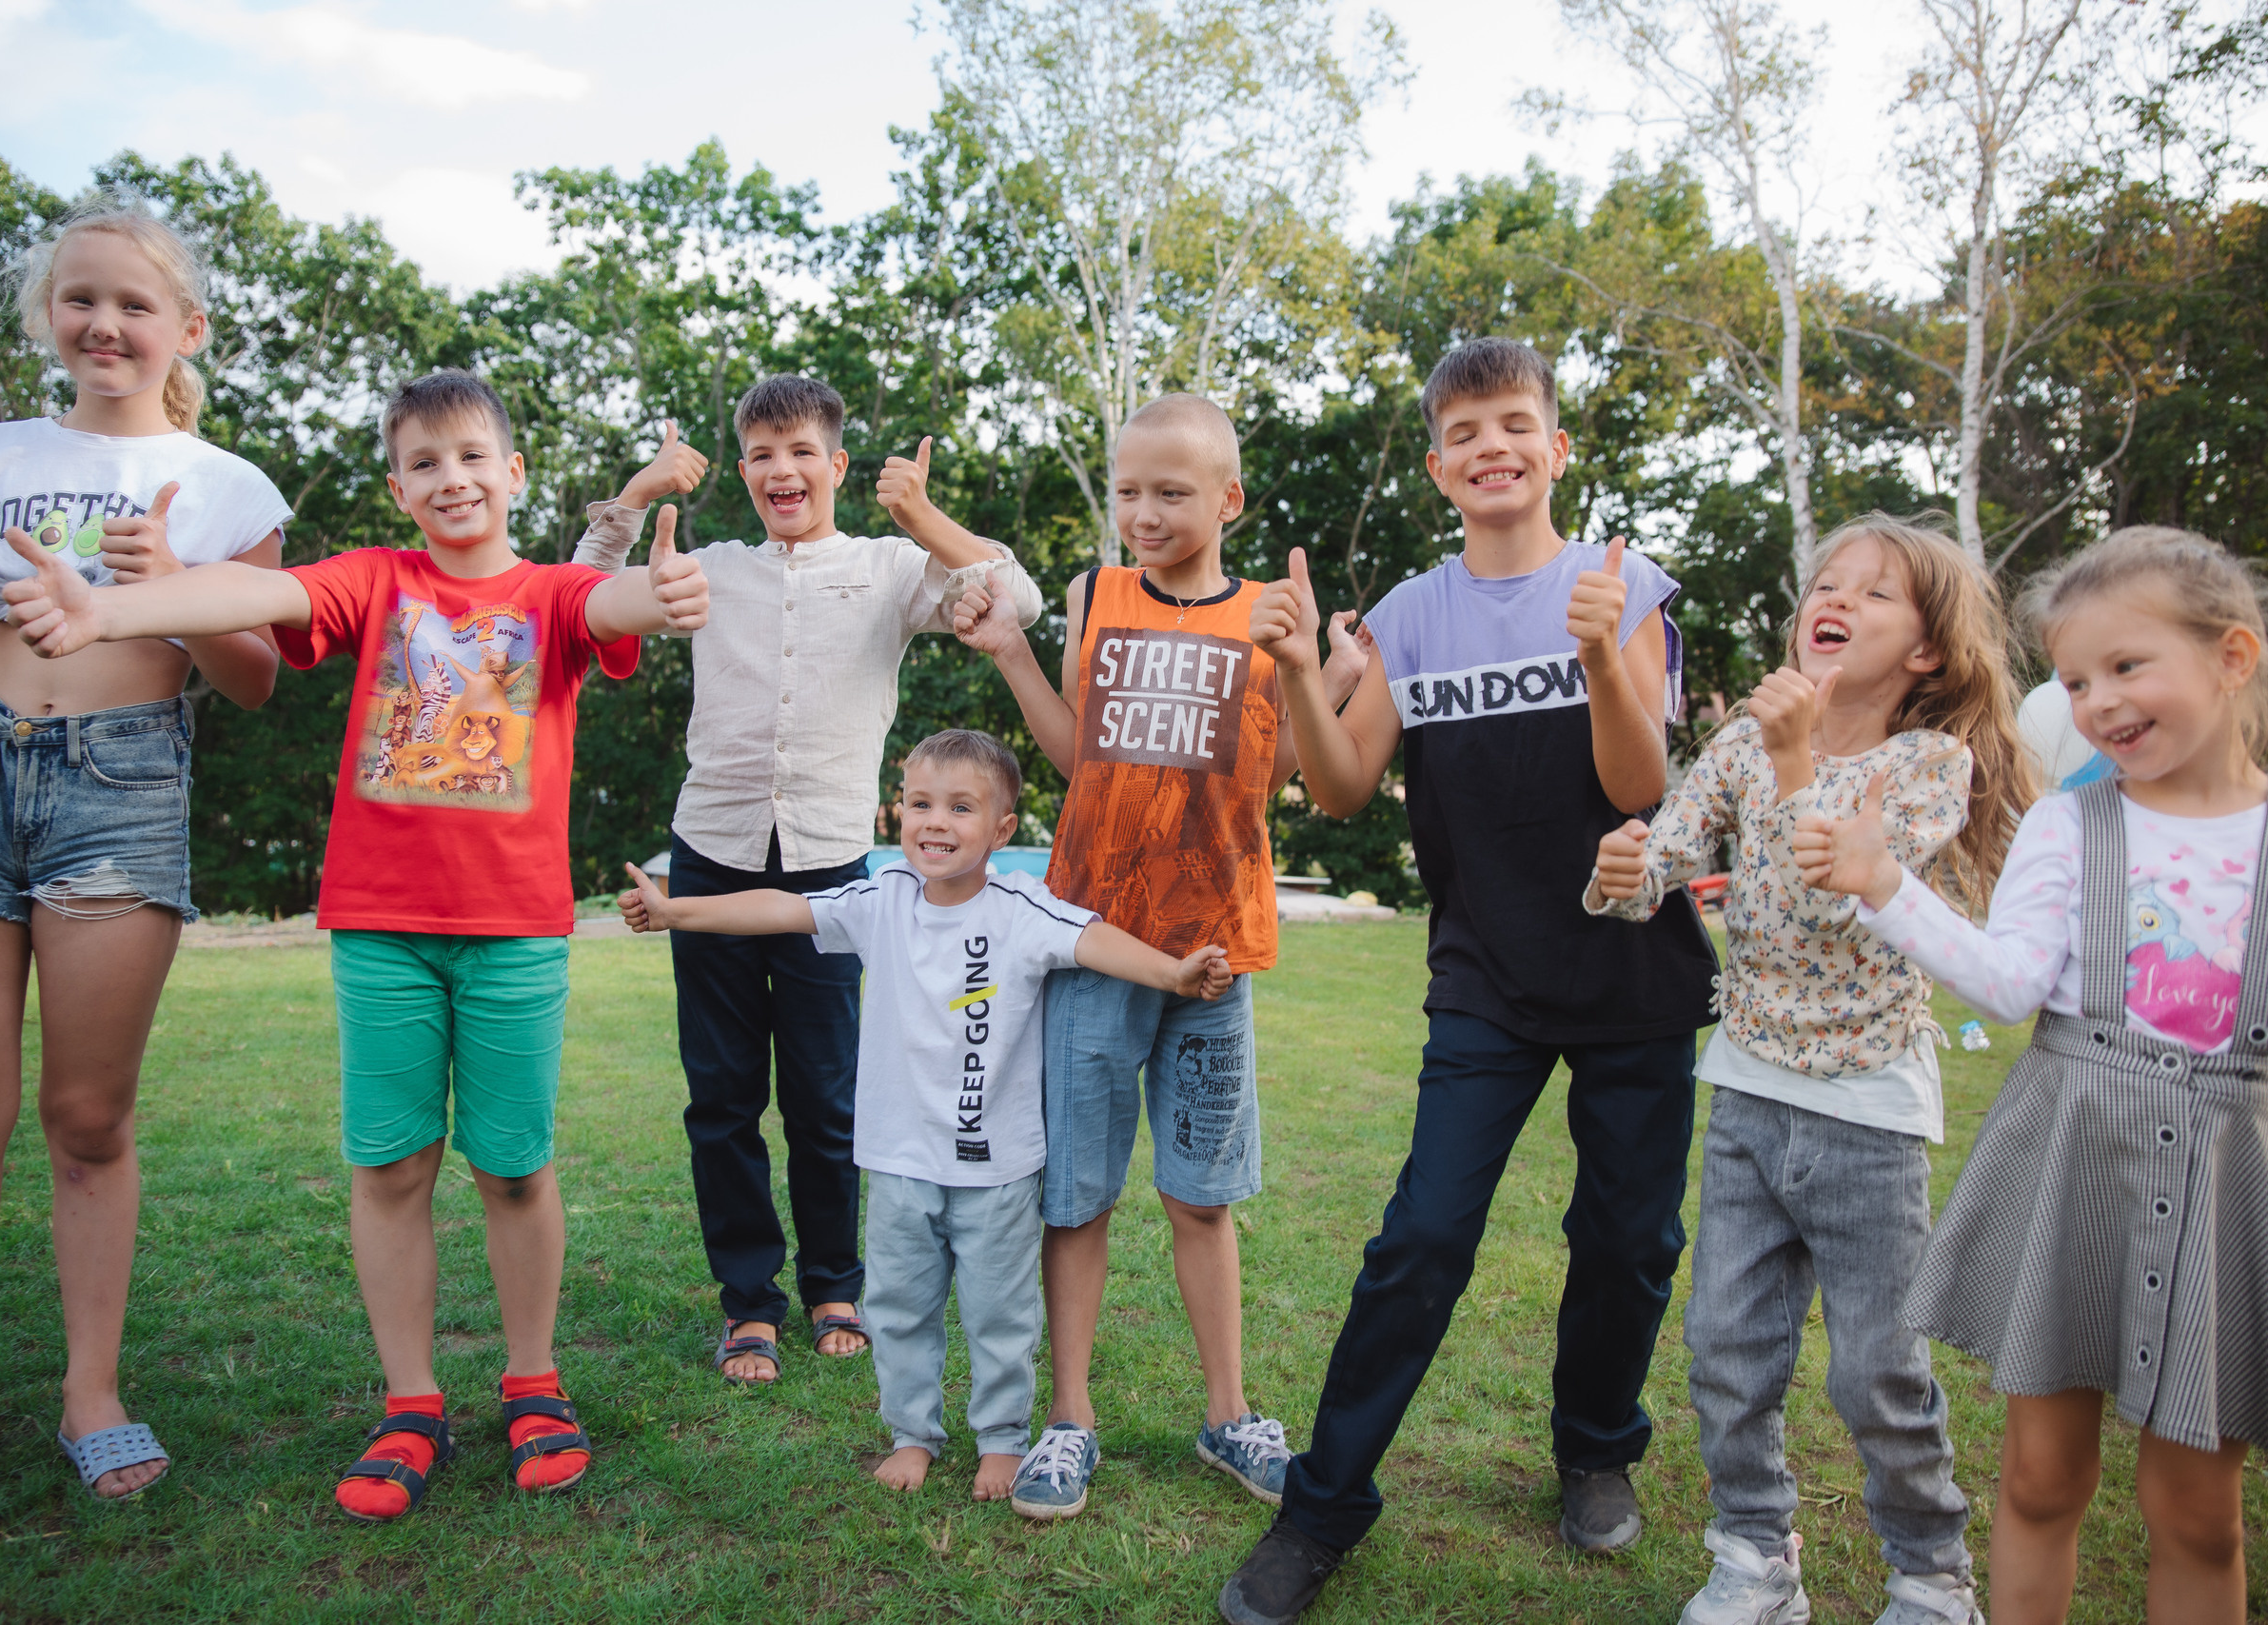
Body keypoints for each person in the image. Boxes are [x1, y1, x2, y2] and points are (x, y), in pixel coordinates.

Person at [0, 368, 712, 1521]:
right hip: (381, 932)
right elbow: (256, 590)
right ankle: (411, 1400)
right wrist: (108, 609)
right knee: (390, 1167)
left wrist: (663, 589)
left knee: (515, 1167)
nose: (452, 480)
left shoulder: (551, 591)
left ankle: (533, 1380)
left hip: (515, 935)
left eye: (472, 457)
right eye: (425, 465)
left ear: (513, 473)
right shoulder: (374, 583)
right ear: (399, 489)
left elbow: (614, 608)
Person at [1216, 337, 1718, 1625]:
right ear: (1441, 466)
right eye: (1466, 432)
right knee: (1423, 1233)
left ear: (1556, 449)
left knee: (1629, 1237)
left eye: (1515, 423)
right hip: (1486, 971)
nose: (1492, 445)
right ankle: (1323, 1503)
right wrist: (1290, 675)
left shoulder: (1624, 584)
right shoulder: (1406, 615)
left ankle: (1596, 1443)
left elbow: (1639, 789)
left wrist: (1604, 655)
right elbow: (1334, 786)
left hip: (1636, 967)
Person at [1794, 526, 2268, 1625]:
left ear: (2232, 658)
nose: (2097, 702)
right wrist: (1885, 883)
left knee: (2195, 1510)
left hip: (2229, 1182)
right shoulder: (2066, 826)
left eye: (2126, 667)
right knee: (2041, 1480)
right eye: (2077, 679)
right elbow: (2005, 984)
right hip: (2072, 1159)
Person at [0, 198, 290, 1500]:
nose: (104, 323)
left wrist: (166, 580)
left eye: (134, 304)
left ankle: (92, 1390)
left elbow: (252, 680)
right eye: (81, 298)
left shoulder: (230, 486)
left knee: (85, 1114)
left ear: (185, 328)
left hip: (120, 784)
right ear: (47, 316)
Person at [1588, 516, 2036, 1625]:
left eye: (1875, 594)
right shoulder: (1742, 743)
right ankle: (1753, 1558)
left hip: (1868, 1106)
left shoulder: (1930, 764)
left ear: (1927, 652)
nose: (1835, 598)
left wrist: (1793, 758)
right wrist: (1621, 870)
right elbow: (1669, 859)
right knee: (1727, 1353)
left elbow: (1840, 881)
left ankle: (1931, 1575)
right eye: (1826, 584)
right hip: (1746, 1090)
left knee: (1875, 1370)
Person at [617, 727, 1235, 1499]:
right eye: (919, 803)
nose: (934, 822)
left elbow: (1097, 940)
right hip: (899, 1163)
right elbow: (784, 907)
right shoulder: (882, 899)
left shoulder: (1021, 906)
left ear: (1003, 828)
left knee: (999, 1314)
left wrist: (1173, 973)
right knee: (901, 1309)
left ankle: (1003, 1440)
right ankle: (913, 1434)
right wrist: (681, 913)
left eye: (960, 807)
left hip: (996, 1169)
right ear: (895, 813)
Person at [572, 378, 1042, 1384]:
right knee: (722, 1098)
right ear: (741, 472)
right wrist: (638, 491)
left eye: (798, 451)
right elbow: (579, 602)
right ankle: (750, 1302)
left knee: (828, 1097)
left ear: (834, 463)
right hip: (713, 852)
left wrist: (920, 515)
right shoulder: (712, 569)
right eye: (759, 455)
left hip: (835, 866)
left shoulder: (889, 569)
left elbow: (1019, 596)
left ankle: (836, 1282)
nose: (779, 470)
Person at [949, 392, 1364, 1519]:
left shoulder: (1269, 618)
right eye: (1127, 488)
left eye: (1171, 492)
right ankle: (1068, 1421)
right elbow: (1082, 756)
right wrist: (1014, 658)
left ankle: (1229, 1416)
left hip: (1214, 956)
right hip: (1094, 941)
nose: (1143, 510)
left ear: (1227, 498)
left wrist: (1324, 679)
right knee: (1077, 1198)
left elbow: (1278, 786)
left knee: (1200, 1200)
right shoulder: (1097, 594)